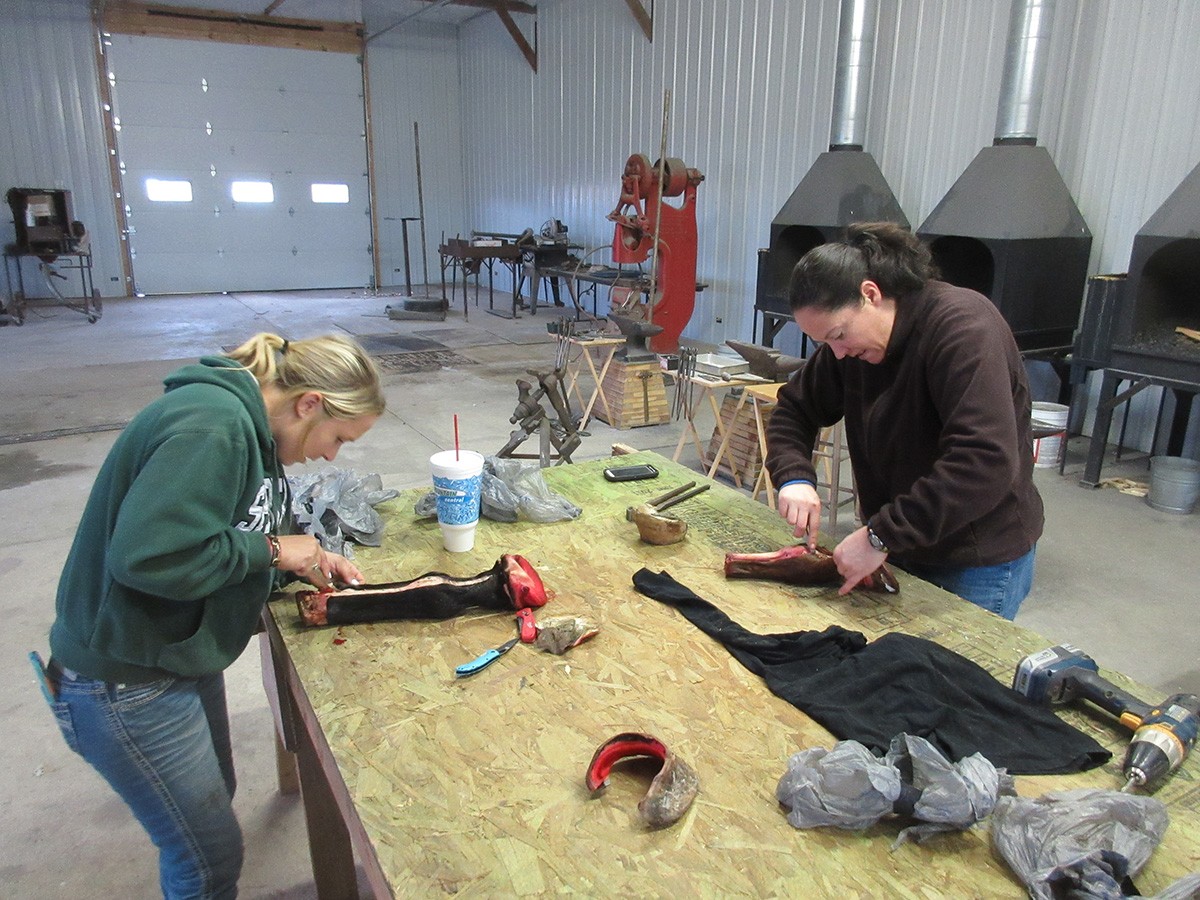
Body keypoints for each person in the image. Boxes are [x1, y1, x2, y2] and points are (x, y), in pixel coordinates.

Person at [38, 332, 385, 898]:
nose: (331, 456)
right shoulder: (214, 427)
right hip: (124, 677)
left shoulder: (257, 432)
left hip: (174, 650)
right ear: (309, 404)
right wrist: (274, 550)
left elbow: (233, 529)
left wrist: (298, 562)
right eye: (339, 438)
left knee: (213, 799)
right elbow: (151, 556)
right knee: (206, 861)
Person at [765, 222, 1044, 620]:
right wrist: (794, 477)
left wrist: (880, 536)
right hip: (901, 540)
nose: (837, 353)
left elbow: (984, 462)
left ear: (870, 294)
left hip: (973, 557)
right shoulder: (851, 347)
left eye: (839, 335)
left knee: (953, 662)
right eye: (825, 342)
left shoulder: (963, 329)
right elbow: (795, 409)